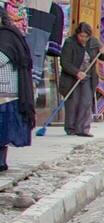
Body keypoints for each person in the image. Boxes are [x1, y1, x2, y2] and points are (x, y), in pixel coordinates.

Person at [0, 2, 33, 173]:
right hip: (6, 93)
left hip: (5, 92)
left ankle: (1, 163)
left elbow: (1, 59)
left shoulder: (6, 36)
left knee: (2, 132)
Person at [57, 23, 100, 137]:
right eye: (81, 36)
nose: (83, 39)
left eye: (86, 36)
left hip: (88, 77)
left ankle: (82, 129)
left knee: (86, 102)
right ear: (77, 34)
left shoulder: (94, 43)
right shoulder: (70, 43)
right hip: (72, 78)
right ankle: (71, 128)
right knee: (73, 103)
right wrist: (76, 72)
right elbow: (64, 62)